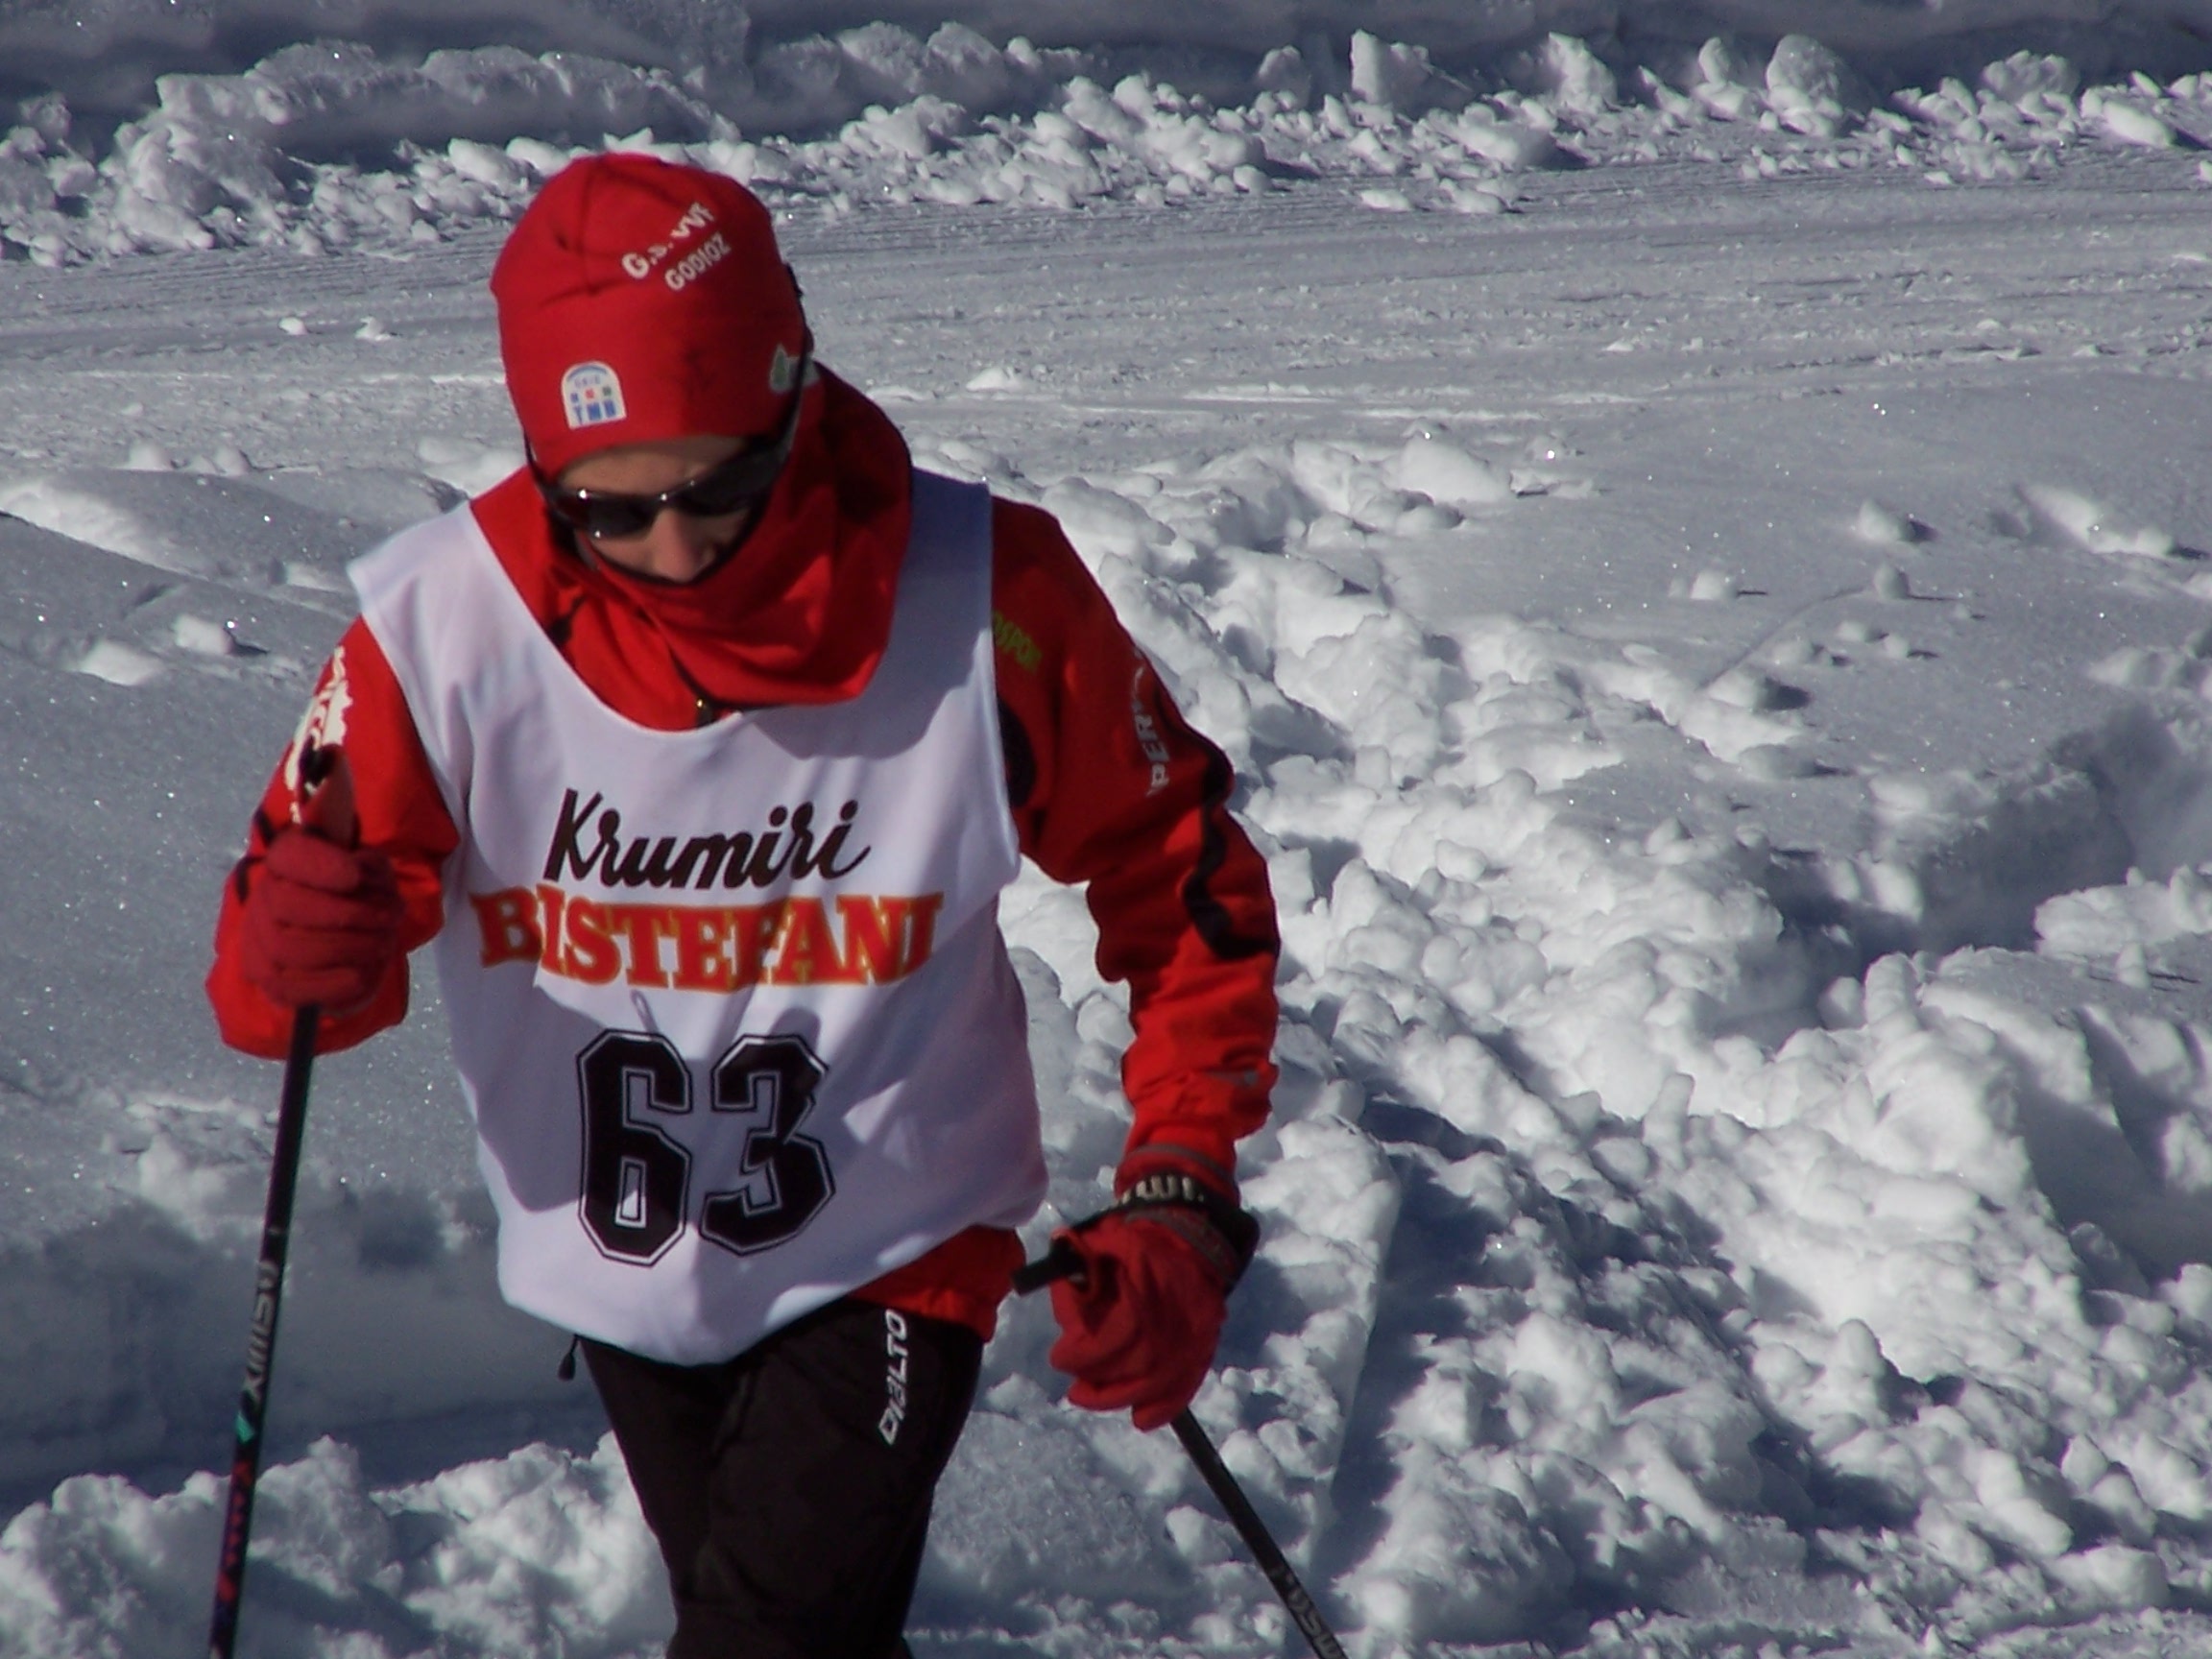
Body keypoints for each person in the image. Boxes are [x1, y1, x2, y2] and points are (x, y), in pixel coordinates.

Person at [204, 153, 1280, 1659]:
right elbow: (280, 992)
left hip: (898, 1245)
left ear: (794, 394)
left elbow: (1179, 878)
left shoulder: (988, 595)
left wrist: (1183, 1186)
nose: (676, 553)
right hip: (625, 1265)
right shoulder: (439, 633)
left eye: (721, 489)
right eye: (608, 511)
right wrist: (293, 949)